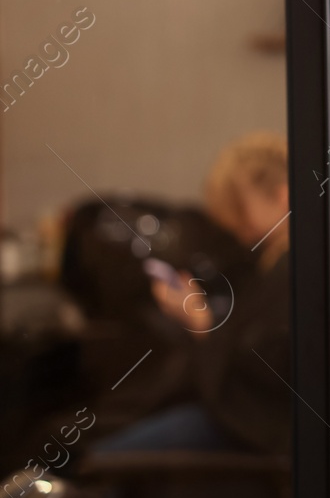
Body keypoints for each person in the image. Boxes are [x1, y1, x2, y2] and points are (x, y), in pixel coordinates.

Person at [94, 131, 293, 457]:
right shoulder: (274, 265)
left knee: (104, 458)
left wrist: (201, 325)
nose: (233, 223)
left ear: (282, 198)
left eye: (240, 209)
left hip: (253, 432)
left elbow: (263, 382)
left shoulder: (291, 272)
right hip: (241, 419)